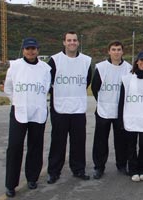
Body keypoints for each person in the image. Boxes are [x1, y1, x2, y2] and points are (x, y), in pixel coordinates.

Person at [4, 38, 51, 197]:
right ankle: (11, 184)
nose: (30, 51)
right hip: (19, 111)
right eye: (27, 49)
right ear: (23, 50)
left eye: (33, 48)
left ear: (38, 50)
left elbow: (45, 88)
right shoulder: (15, 66)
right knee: (15, 146)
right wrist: (17, 102)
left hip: (37, 112)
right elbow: (8, 88)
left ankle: (32, 178)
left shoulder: (45, 68)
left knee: (36, 146)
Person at [47, 31, 92, 184]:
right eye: (69, 40)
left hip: (78, 108)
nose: (72, 42)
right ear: (64, 42)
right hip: (59, 107)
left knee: (78, 141)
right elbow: (48, 82)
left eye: (74, 40)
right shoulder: (54, 60)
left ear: (78, 42)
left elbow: (87, 80)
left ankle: (78, 169)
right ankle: (54, 172)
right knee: (58, 141)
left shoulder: (86, 61)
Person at [91, 41, 132, 179]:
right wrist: (103, 102)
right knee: (100, 141)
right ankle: (99, 167)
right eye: (113, 49)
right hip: (104, 110)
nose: (116, 52)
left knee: (121, 141)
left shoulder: (128, 68)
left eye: (119, 49)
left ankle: (121, 165)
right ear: (109, 51)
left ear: (122, 52)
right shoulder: (101, 67)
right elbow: (94, 88)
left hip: (120, 112)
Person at [118, 51, 143, 182]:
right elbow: (122, 100)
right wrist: (120, 120)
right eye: (142, 61)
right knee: (131, 146)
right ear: (137, 61)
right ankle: (133, 169)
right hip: (130, 117)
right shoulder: (127, 78)